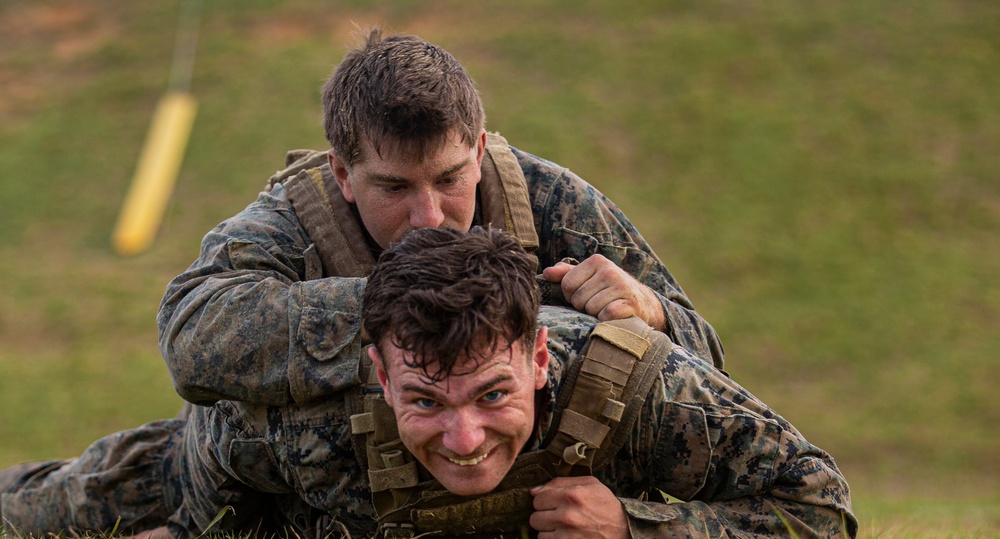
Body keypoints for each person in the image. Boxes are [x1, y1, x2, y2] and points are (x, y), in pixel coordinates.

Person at [2, 227, 855, 539]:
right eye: (424, 402)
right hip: (189, 461)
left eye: (492, 394)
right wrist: (189, 535)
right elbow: (214, 465)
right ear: (377, 376)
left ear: (539, 358)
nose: (462, 436)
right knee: (48, 509)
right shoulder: (293, 426)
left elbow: (821, 507)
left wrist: (639, 530)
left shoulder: (641, 387)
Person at [156, 28, 725, 412]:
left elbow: (711, 370)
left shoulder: (551, 201)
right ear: (342, 174)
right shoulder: (299, 216)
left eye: (450, 179)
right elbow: (195, 334)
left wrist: (652, 312)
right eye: (394, 187)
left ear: (478, 152)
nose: (429, 216)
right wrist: (410, 306)